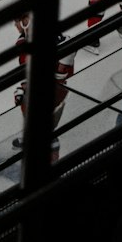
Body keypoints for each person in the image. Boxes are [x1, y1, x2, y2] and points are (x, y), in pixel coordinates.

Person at [11, 9, 74, 151]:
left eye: (17, 22)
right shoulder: (23, 42)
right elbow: (26, 69)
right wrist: (24, 86)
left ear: (26, 21)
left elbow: (64, 65)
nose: (15, 25)